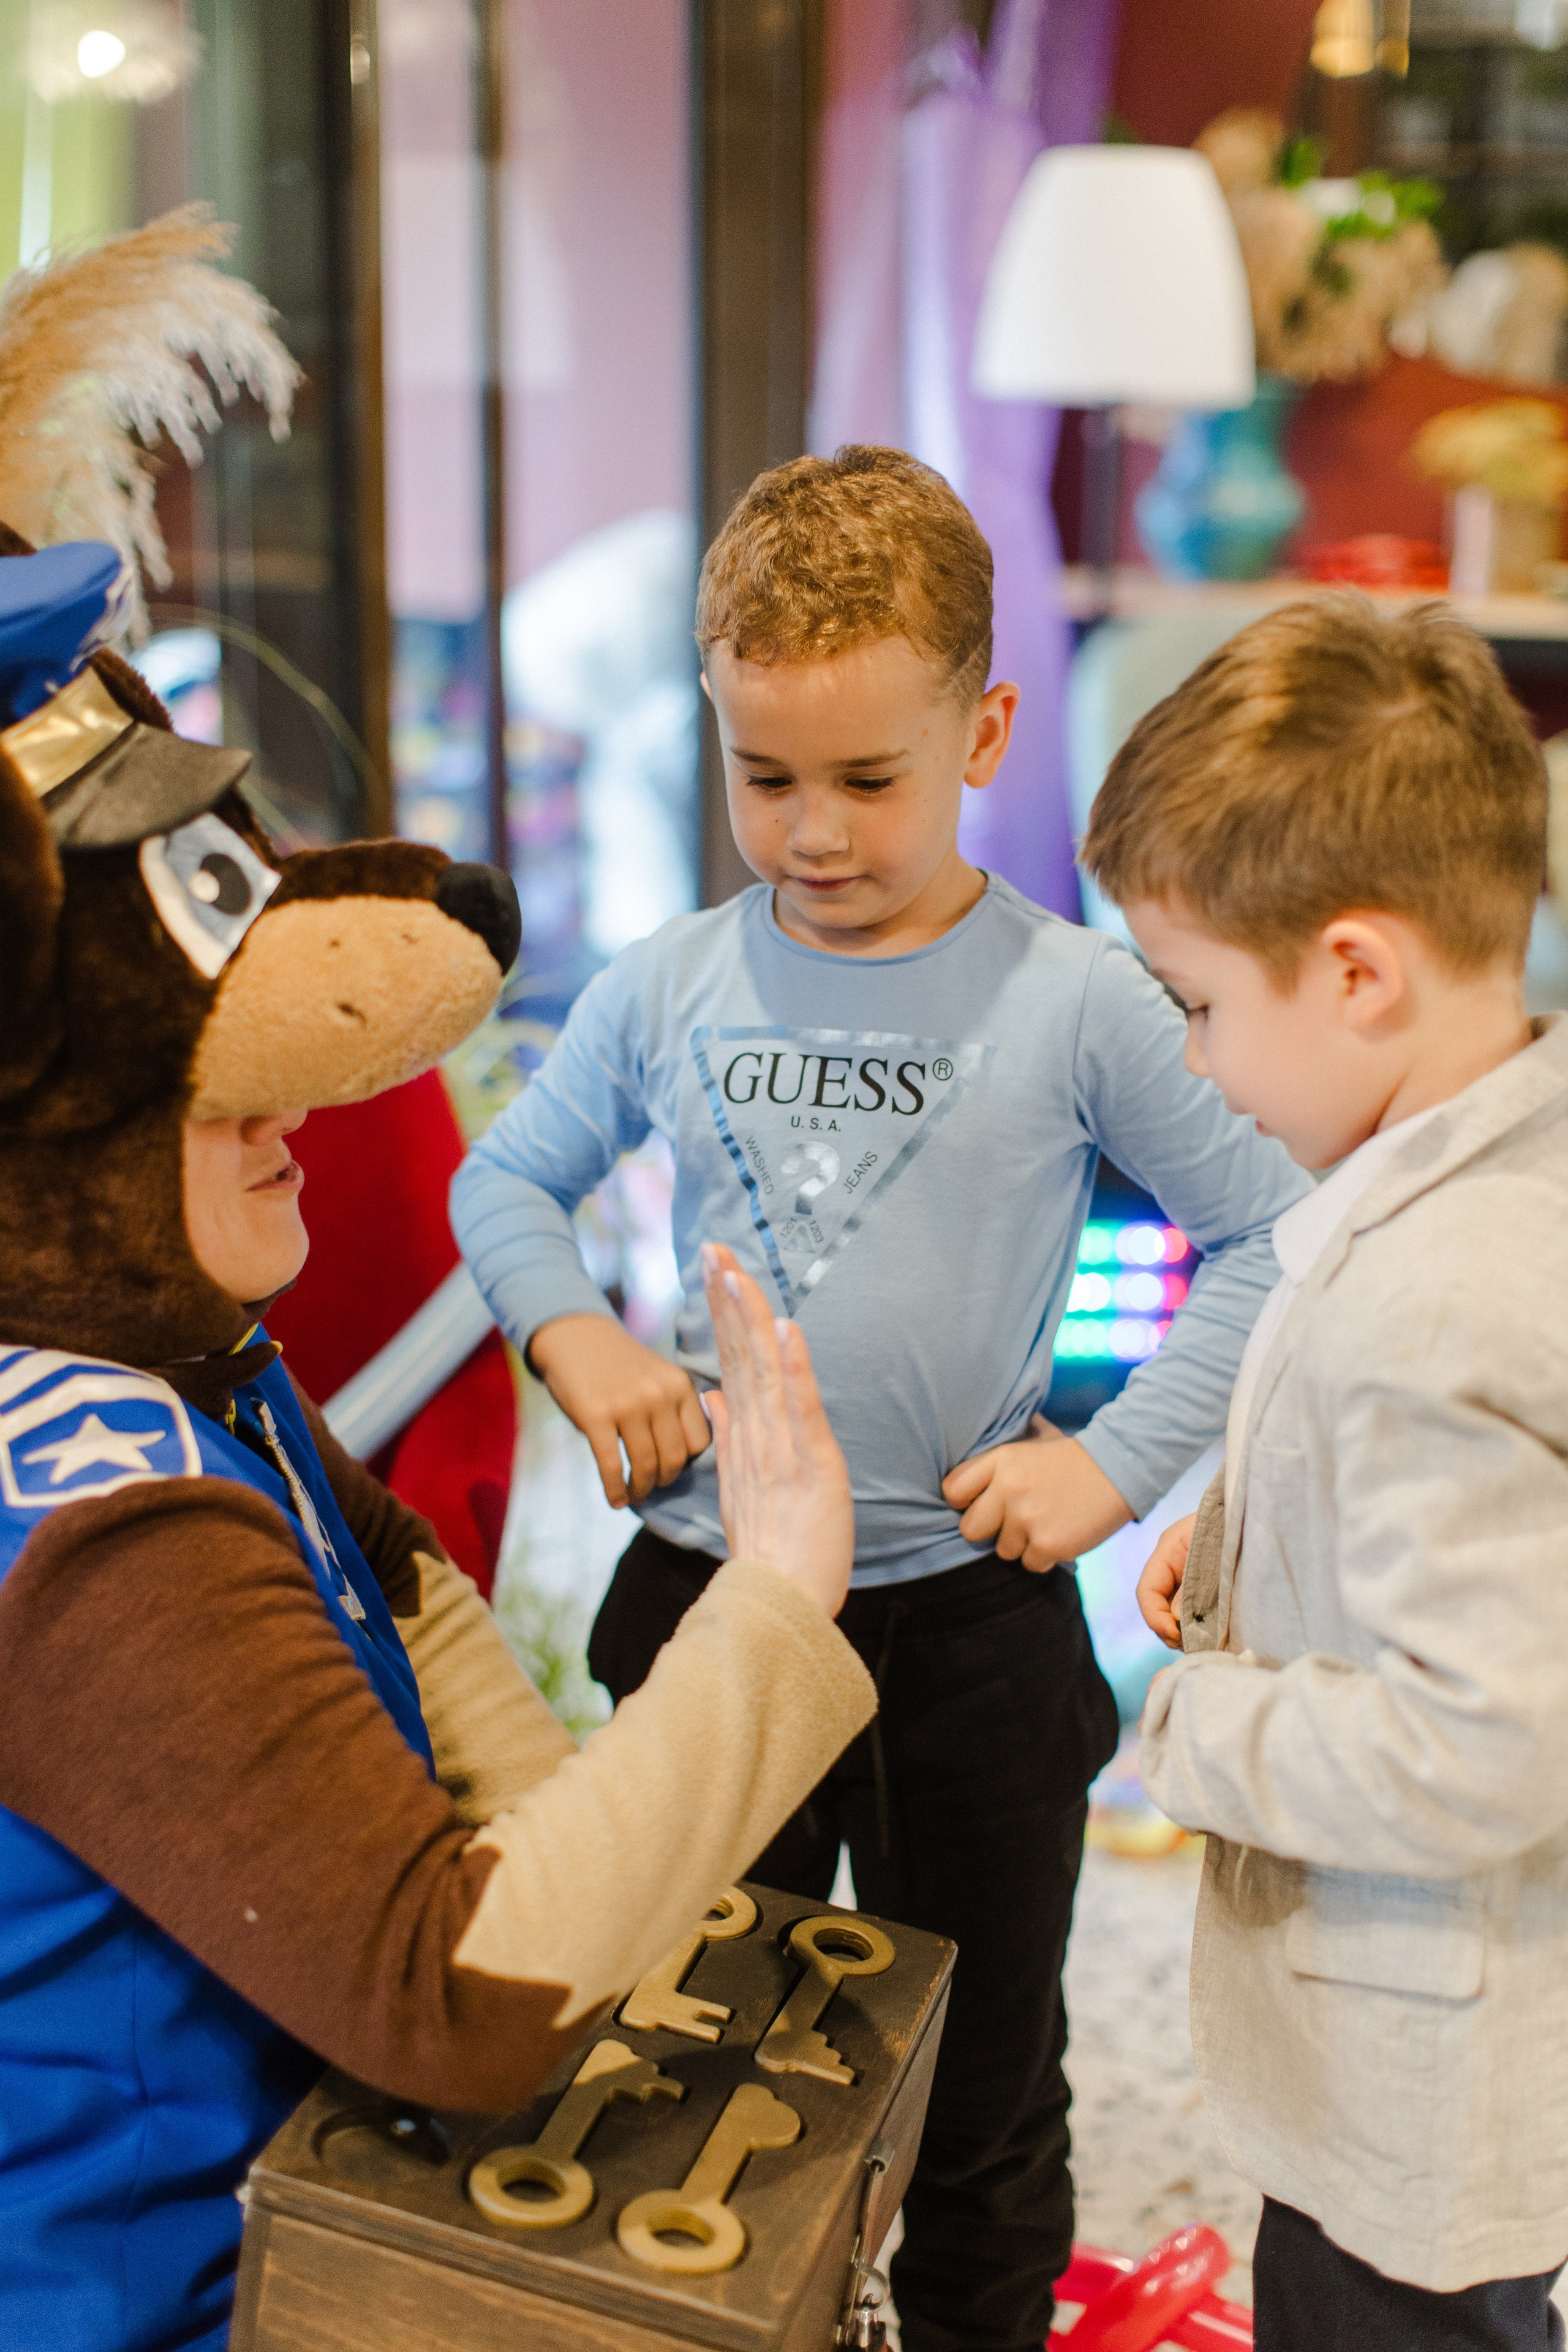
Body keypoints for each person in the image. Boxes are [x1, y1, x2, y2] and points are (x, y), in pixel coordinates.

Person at [452, 445, 1310, 2352]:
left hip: (972, 1638)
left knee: (987, 2085)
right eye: (766, 778)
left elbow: (1275, 1228)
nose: (814, 832)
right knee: (685, 2056)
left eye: (869, 778)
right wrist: (575, 1340)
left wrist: (1114, 1462)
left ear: (986, 729)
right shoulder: (669, 984)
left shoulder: (1082, 1000)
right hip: (714, 1613)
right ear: (712, 733)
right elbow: (506, 1180)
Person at [0, 539, 874, 2352]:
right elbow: (452, 1993)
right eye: (215, 1086)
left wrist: (579, 1837)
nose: (299, 1115)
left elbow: (389, 1571)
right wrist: (779, 1602)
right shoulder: (107, 1519)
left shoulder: (171, 1360)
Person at [1082, 593, 1568, 2352]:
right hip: (1410, 2087)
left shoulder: (1441, 1291)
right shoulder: (1498, 1165)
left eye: (1199, 1004)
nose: (1198, 1061)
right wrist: (1255, 1533)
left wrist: (1196, 1731)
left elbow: (1487, 1734)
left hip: (1424, 2123)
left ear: (1357, 972)